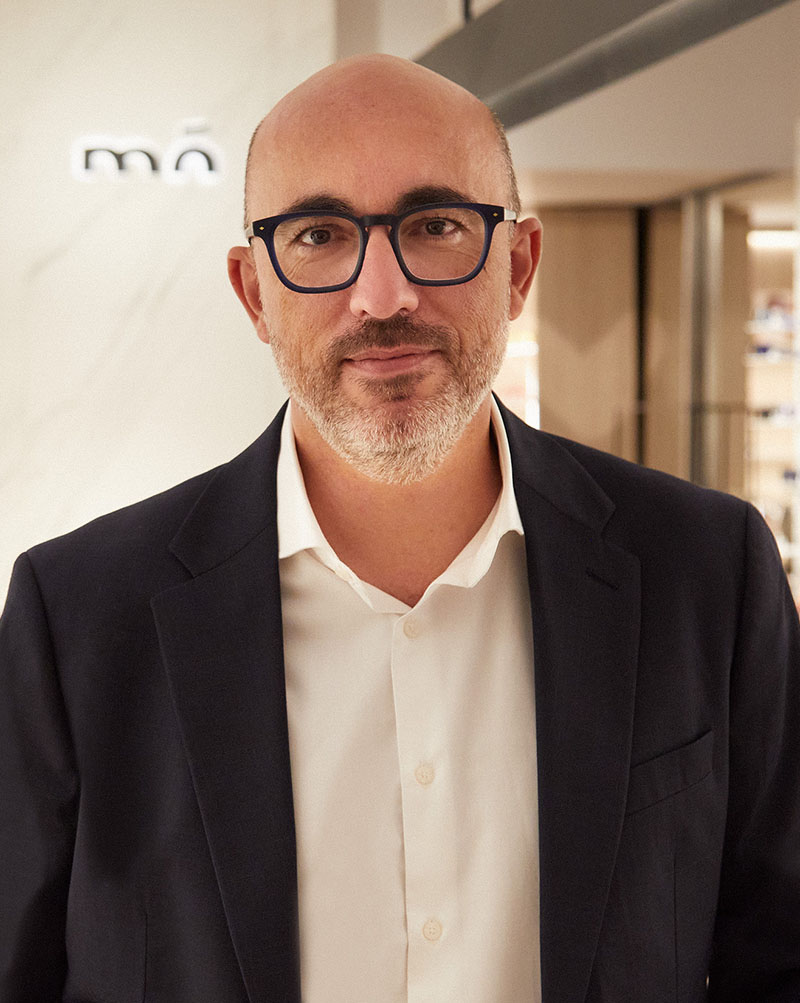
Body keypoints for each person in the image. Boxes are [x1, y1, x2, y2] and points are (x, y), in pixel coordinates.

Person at [1, 53, 799, 1003]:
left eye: (436, 225)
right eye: (318, 235)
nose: (382, 297)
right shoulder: (78, 617)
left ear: (518, 266)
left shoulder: (707, 572)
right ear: (254, 293)